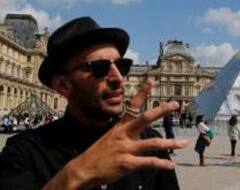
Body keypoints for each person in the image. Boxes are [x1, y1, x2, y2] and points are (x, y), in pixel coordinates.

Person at [0, 16, 187, 189]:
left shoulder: (148, 142)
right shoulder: (23, 152)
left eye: (122, 66)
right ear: (63, 85)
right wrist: (78, 173)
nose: (119, 79)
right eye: (100, 68)